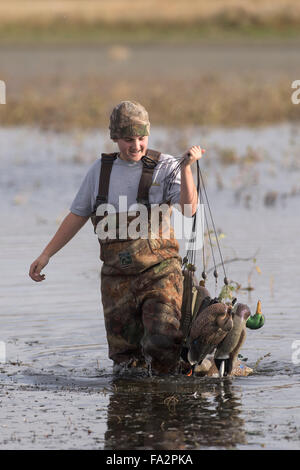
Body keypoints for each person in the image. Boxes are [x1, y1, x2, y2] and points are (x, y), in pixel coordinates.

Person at [29, 101, 204, 375]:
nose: (136, 146)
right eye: (128, 139)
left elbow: (189, 209)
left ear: (148, 134)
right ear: (115, 138)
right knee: (125, 363)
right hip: (116, 280)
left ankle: (172, 405)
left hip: (160, 273)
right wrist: (46, 254)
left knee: (162, 340)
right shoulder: (101, 170)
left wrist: (187, 169)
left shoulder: (167, 166)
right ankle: (130, 405)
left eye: (141, 138)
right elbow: (77, 216)